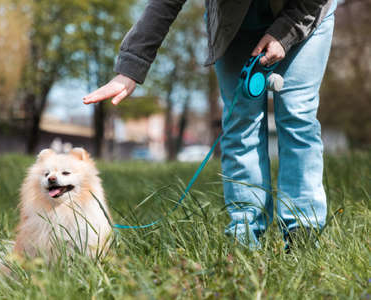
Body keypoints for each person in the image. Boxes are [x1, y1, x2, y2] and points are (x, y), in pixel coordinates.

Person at [83, 0, 337, 249]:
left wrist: (286, 33)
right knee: (241, 123)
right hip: (235, 25)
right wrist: (130, 68)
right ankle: (245, 234)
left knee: (297, 115)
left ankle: (302, 231)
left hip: (305, 10)